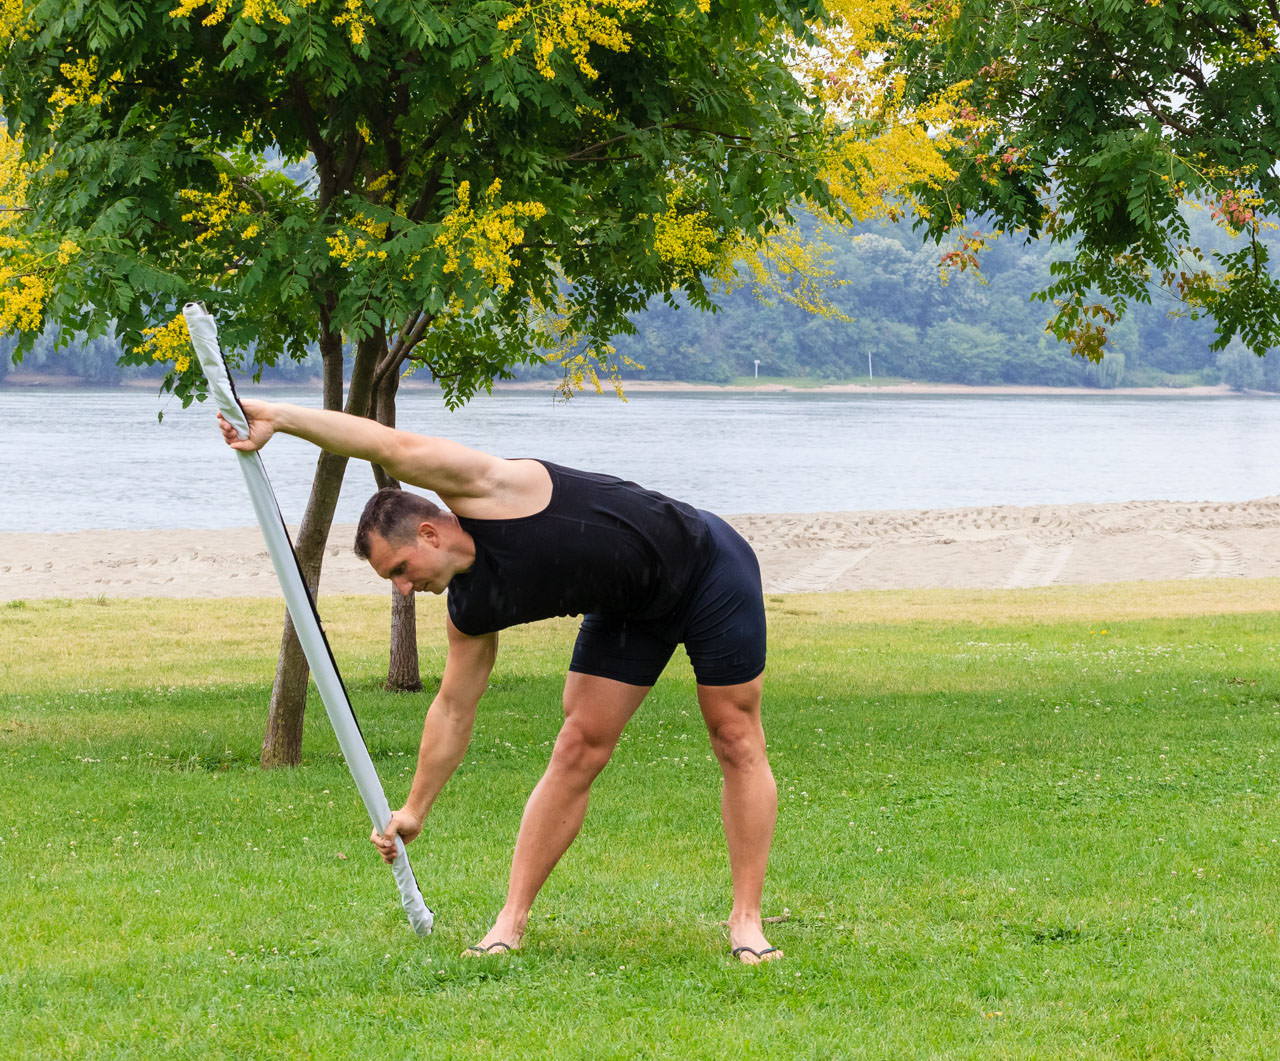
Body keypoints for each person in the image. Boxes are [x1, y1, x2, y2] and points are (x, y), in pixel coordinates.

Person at [218, 399, 781, 964]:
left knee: (733, 735)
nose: (403, 590)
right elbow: (453, 709)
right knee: (578, 745)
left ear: (429, 533)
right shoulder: (471, 610)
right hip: (628, 606)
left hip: (707, 568)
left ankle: (747, 922)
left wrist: (278, 417)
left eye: (399, 570)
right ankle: (509, 923)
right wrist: (415, 809)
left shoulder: (492, 490)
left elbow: (387, 446)